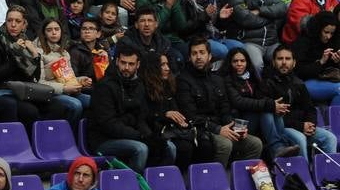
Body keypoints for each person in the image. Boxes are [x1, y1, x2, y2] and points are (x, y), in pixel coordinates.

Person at [177, 37, 264, 165]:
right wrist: (218, 129)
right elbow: (190, 116)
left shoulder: (217, 79)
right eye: (194, 53)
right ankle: (217, 182)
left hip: (221, 127)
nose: (198, 57)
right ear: (189, 58)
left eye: (202, 52)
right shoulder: (183, 80)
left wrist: (234, 127)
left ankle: (238, 179)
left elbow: (225, 109)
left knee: (255, 144)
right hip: (201, 130)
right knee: (225, 144)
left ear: (210, 56)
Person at [87, 45, 165, 174]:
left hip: (129, 134)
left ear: (138, 65)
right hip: (103, 140)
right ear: (117, 61)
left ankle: (154, 185)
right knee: (140, 148)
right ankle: (132, 187)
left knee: (168, 147)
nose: (126, 68)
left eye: (131, 64)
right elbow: (108, 124)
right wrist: (140, 136)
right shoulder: (104, 86)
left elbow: (141, 117)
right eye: (123, 63)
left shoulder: (139, 86)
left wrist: (149, 135)